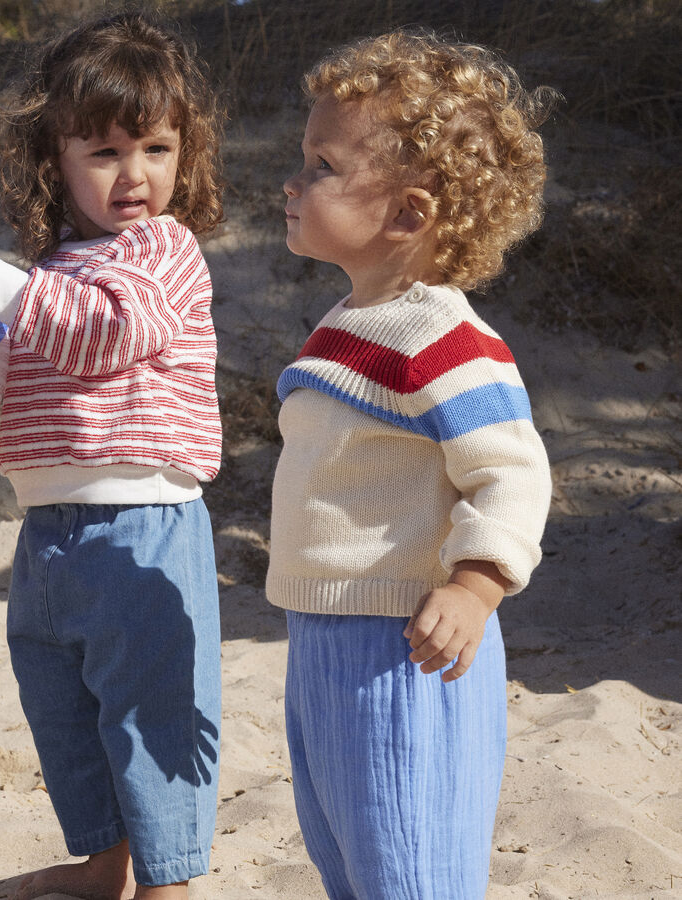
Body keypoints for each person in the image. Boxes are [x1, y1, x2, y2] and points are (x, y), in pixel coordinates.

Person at [0, 12, 224, 900]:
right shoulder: (59, 265)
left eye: (156, 149)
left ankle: (166, 883)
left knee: (148, 712)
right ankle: (103, 865)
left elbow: (107, 335)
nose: (135, 176)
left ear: (182, 156)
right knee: (64, 708)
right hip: (48, 531)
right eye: (105, 152)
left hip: (143, 529)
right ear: (54, 158)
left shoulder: (163, 254)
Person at [266, 30, 554, 900]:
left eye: (321, 165)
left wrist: (474, 586)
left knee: (410, 871)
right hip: (322, 638)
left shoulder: (443, 339)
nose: (292, 180)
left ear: (408, 214)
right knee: (348, 862)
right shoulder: (346, 326)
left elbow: (512, 471)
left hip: (407, 650)